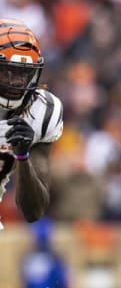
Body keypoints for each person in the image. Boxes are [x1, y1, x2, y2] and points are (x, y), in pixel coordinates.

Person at [0, 18, 63, 229]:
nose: (17, 81)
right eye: (7, 71)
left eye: (23, 72)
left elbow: (33, 211)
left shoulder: (41, 111)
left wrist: (23, 157)